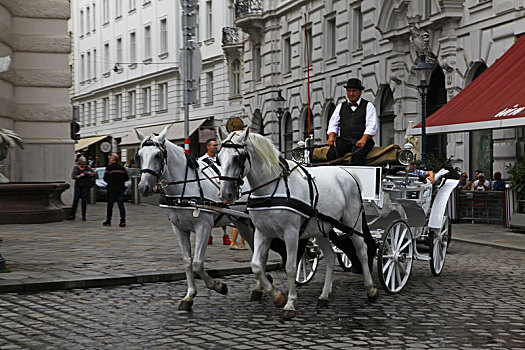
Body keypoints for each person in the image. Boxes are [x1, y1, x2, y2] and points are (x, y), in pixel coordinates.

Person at [326, 78, 378, 165]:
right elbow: (333, 124)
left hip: (362, 140)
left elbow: (371, 126)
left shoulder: (368, 106)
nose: (351, 94)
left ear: (360, 92)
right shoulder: (340, 106)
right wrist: (331, 137)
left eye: (354, 91)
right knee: (331, 154)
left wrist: (363, 140)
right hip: (344, 140)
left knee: (357, 157)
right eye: (349, 91)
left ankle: (357, 177)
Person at [199, 138, 231, 246]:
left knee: (224, 209)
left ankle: (225, 234)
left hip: (222, 186)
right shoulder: (201, 160)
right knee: (210, 211)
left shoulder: (221, 158)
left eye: (217, 145)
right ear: (208, 147)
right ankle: (209, 235)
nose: (216, 147)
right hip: (209, 188)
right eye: (214, 145)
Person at [103, 154, 129, 227]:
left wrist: (111, 182)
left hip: (111, 188)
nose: (110, 160)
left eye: (110, 159)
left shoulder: (109, 168)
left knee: (110, 205)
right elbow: (126, 178)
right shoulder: (122, 168)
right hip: (120, 188)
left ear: (113, 160)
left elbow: (105, 178)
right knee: (121, 205)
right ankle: (123, 221)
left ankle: (108, 221)